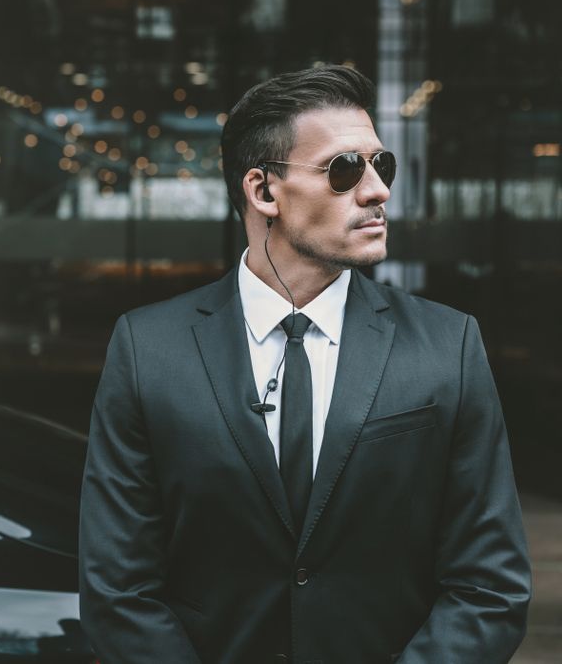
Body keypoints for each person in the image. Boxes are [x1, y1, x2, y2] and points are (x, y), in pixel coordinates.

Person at [79, 65, 530, 663]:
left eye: (380, 164)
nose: (377, 191)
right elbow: (118, 587)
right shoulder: (147, 348)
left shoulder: (449, 345)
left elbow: (490, 586)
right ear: (263, 191)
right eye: (345, 170)